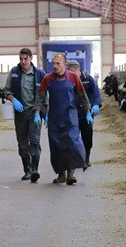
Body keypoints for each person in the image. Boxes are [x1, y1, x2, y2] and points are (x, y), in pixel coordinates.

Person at [32, 53, 92, 185]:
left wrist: (88, 111)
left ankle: (71, 174)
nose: (55, 66)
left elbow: (82, 95)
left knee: (72, 142)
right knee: (57, 145)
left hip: (70, 115)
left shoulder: (73, 77)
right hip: (54, 116)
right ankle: (61, 175)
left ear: (65, 65)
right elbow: (40, 96)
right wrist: (37, 113)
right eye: (53, 63)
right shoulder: (48, 78)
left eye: (58, 63)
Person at [3, 47, 46, 182]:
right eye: (21, 59)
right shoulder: (14, 72)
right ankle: (27, 170)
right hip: (20, 113)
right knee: (22, 144)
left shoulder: (39, 73)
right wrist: (14, 100)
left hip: (35, 113)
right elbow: (6, 91)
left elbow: (46, 94)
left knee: (34, 140)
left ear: (31, 58)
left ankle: (34, 170)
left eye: (25, 58)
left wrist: (47, 112)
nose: (23, 61)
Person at [66, 59, 102, 167]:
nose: (68, 72)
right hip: (73, 114)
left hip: (87, 114)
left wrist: (96, 105)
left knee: (87, 136)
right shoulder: (68, 79)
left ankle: (86, 157)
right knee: (73, 137)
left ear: (77, 69)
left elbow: (96, 94)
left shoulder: (88, 79)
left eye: (70, 70)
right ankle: (76, 158)